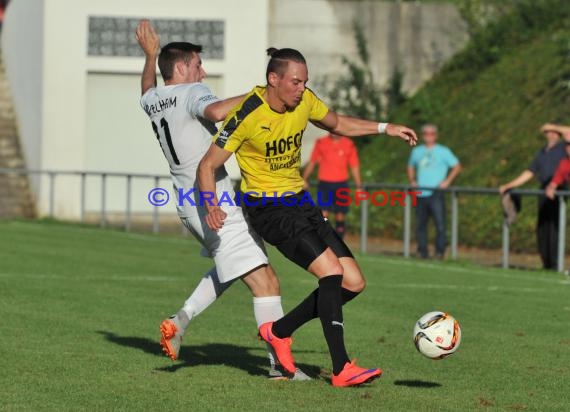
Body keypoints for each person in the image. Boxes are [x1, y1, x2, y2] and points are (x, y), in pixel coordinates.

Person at [197, 47, 417, 387]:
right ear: (274, 79)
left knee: (353, 282)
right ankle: (342, 368)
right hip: (268, 209)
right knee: (330, 273)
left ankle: (279, 331)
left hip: (301, 202)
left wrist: (385, 127)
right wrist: (212, 204)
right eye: (296, 82)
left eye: (305, 82)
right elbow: (207, 165)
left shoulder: (304, 102)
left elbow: (339, 123)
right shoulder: (247, 115)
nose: (302, 88)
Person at [135, 21, 309, 380]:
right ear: (182, 69)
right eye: (198, 64)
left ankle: (180, 320)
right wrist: (263, 96)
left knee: (234, 267)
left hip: (188, 202)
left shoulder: (153, 100)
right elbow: (215, 112)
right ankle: (281, 369)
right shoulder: (192, 92)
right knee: (266, 282)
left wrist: (151, 55)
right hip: (212, 200)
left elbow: (147, 85)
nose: (203, 71)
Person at [499, 123, 570, 270]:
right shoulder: (542, 152)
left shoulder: (563, 148)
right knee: (543, 227)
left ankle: (556, 264)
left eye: (554, 132)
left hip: (559, 191)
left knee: (554, 226)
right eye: (548, 133)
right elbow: (530, 172)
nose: (551, 135)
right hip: (545, 190)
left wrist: (553, 126)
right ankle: (546, 264)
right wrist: (510, 184)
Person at [407, 124, 461, 259]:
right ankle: (423, 252)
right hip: (420, 192)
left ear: (435, 136)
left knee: (440, 224)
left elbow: (457, 166)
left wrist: (447, 181)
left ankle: (440, 252)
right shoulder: (417, 151)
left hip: (436, 192)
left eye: (431, 134)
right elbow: (410, 166)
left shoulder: (443, 151)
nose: (428, 136)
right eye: (426, 133)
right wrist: (412, 180)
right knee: (420, 224)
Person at [302, 133, 361, 238]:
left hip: (341, 184)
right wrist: (303, 179)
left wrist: (358, 187)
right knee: (324, 214)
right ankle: (324, 237)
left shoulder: (348, 144)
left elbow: (354, 166)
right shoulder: (321, 142)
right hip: (325, 184)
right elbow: (312, 162)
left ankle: (340, 239)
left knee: (340, 214)